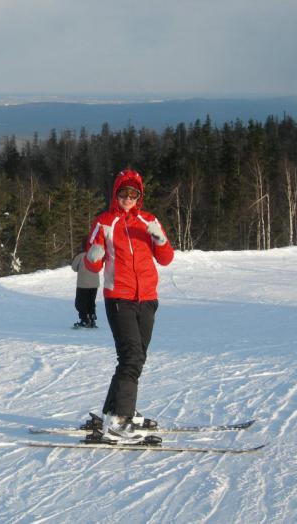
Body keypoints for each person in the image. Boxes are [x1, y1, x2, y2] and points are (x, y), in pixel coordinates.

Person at [83, 168, 174, 441]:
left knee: (135, 358)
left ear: (139, 196)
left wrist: (159, 238)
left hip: (147, 298)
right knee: (132, 356)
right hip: (119, 298)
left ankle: (113, 410)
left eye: (133, 193)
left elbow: (166, 259)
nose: (128, 198)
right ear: (116, 194)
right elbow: (91, 264)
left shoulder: (148, 221)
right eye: (123, 193)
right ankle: (120, 421)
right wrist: (94, 254)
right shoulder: (104, 222)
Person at [71, 245, 100, 328]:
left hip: (83, 283)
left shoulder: (81, 255)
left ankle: (84, 320)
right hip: (94, 283)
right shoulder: (96, 254)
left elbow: (74, 267)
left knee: (80, 302)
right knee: (91, 301)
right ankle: (92, 317)